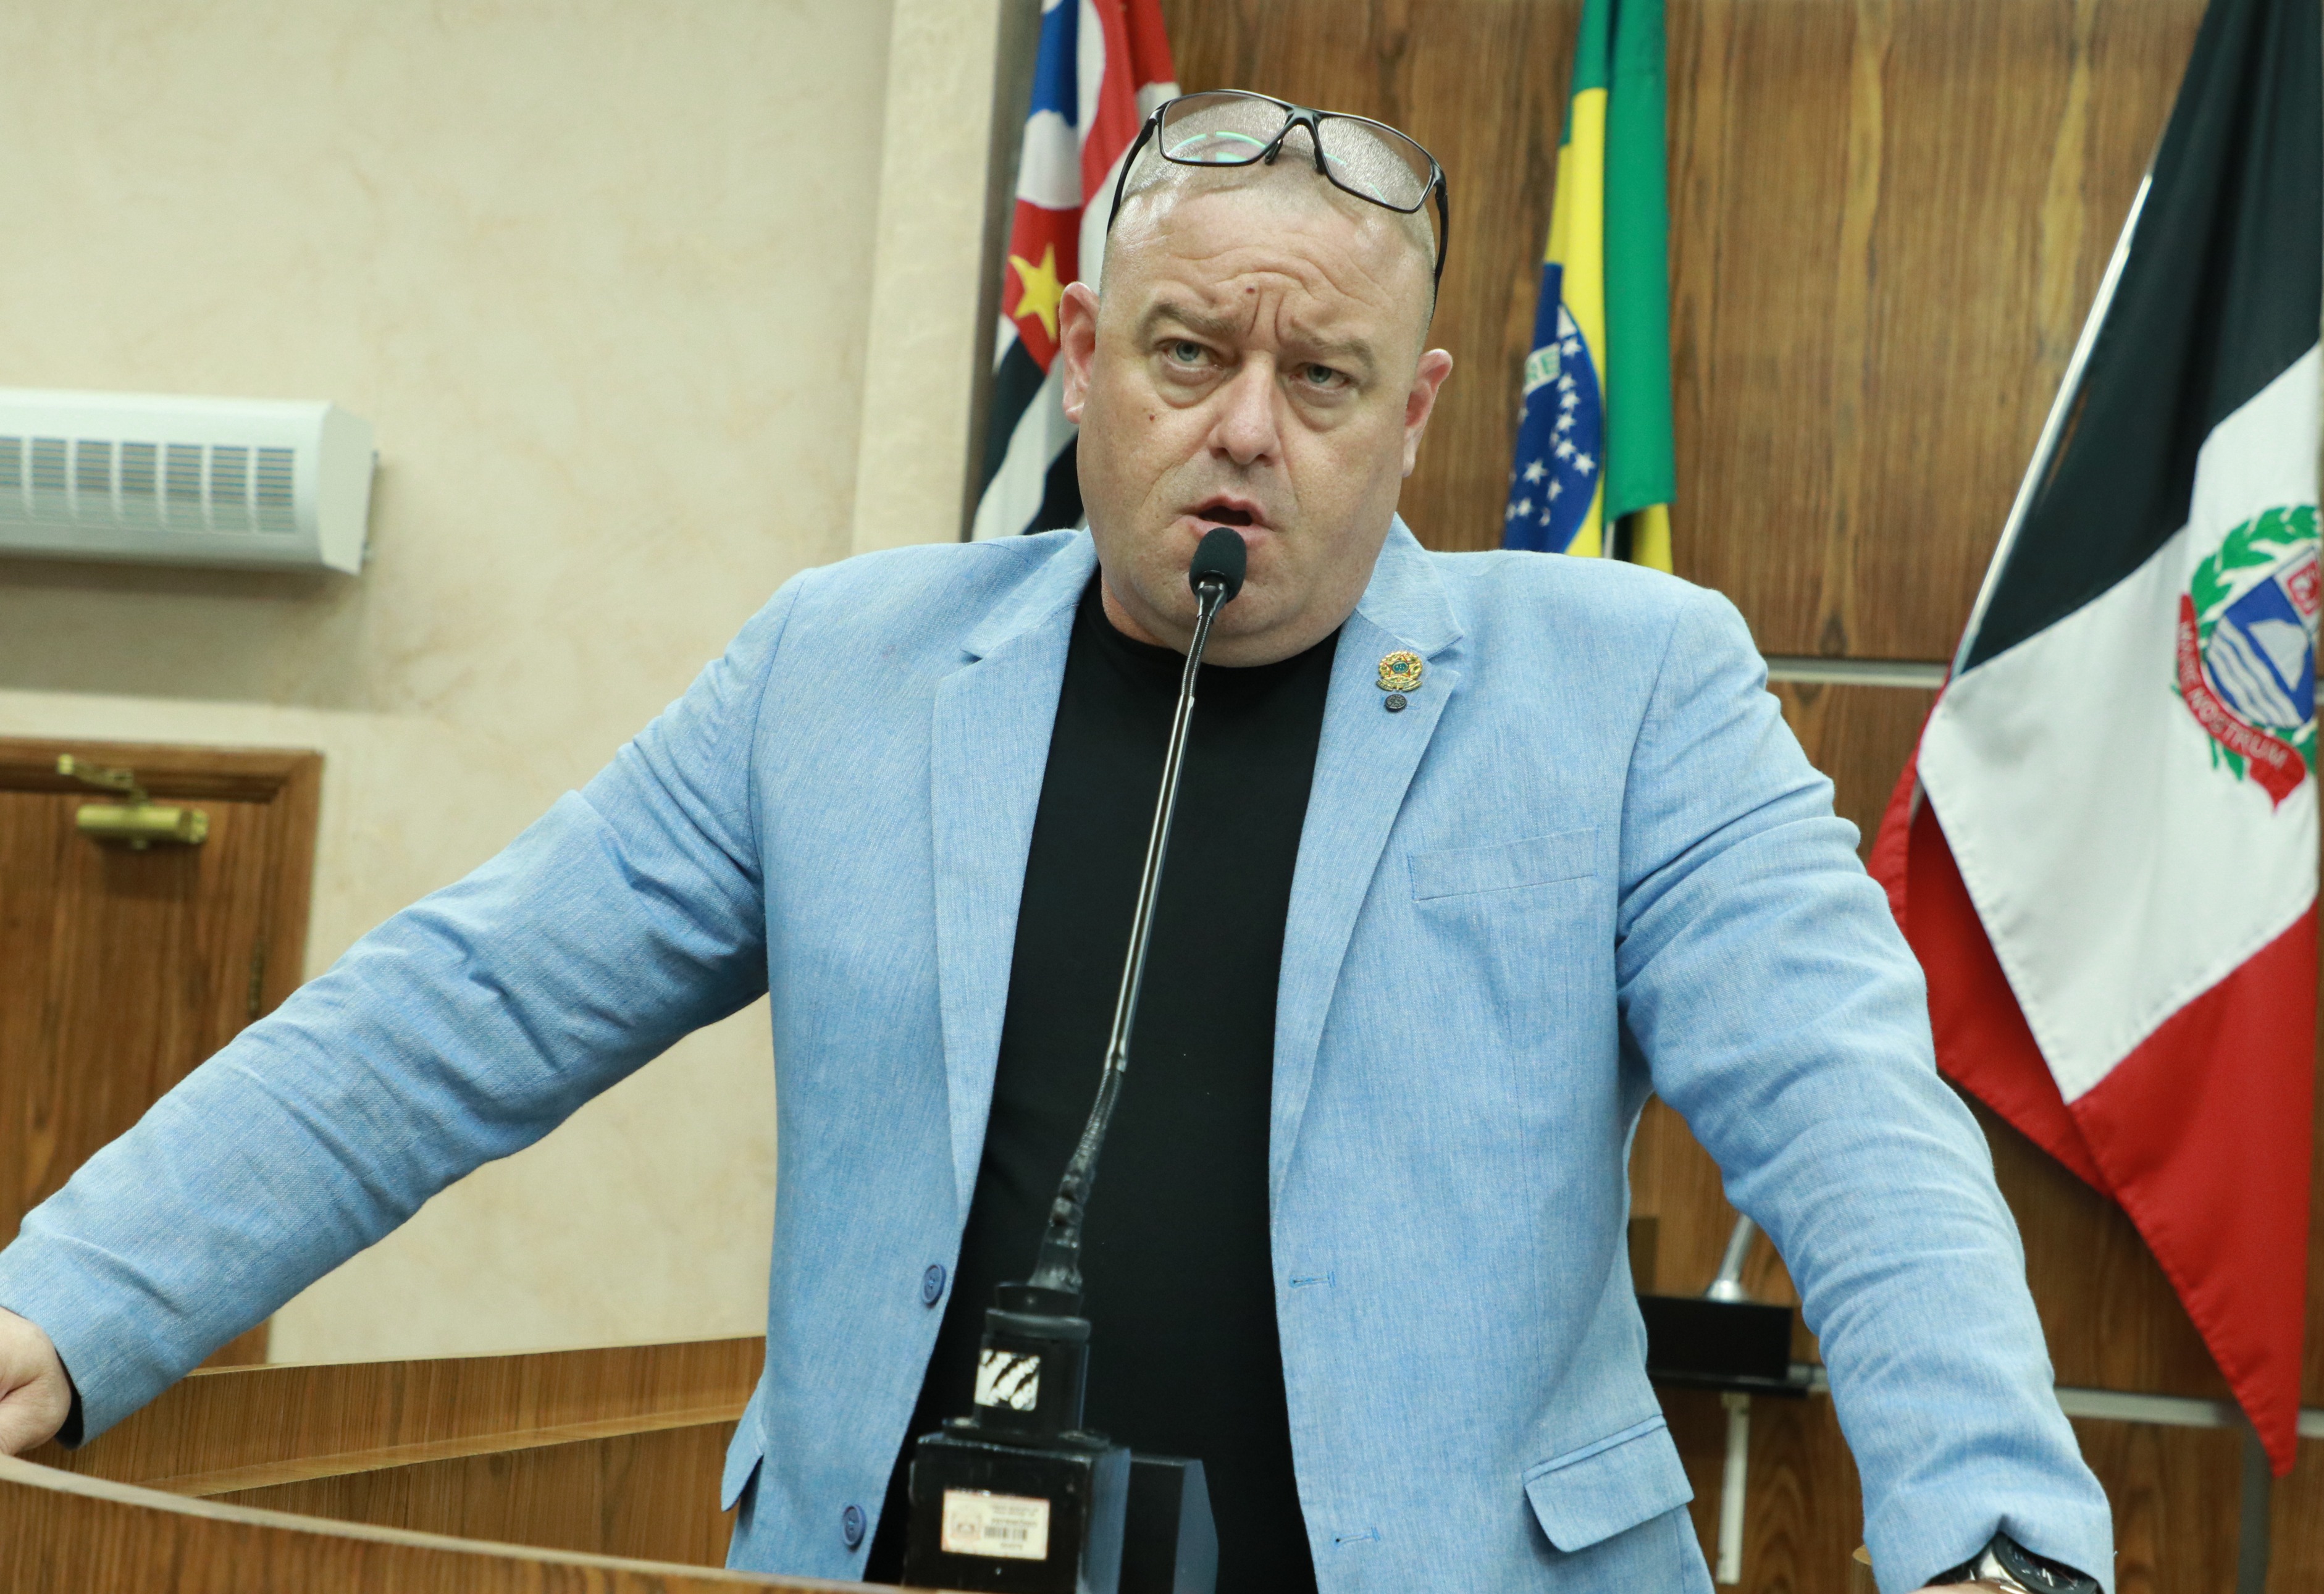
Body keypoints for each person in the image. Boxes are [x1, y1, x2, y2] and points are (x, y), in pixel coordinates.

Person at [0, 91, 2108, 1594]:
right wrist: (67, 1307)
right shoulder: (839, 670)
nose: (1247, 428)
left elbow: (1853, 1121)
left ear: (1416, 416)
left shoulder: (1629, 690)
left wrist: (1996, 1540)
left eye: (1325, 377)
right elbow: (455, 1011)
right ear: (1087, 359)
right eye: (1190, 354)